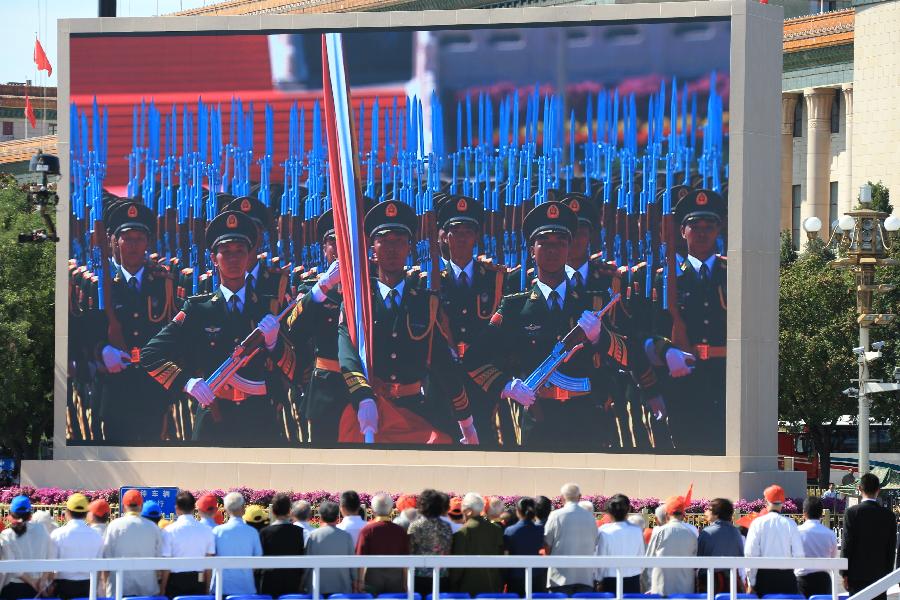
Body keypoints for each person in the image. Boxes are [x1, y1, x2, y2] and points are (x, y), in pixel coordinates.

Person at [464, 202, 661, 451]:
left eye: (560, 243)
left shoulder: (593, 301)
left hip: (588, 418)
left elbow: (631, 356)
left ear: (568, 249)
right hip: (538, 419)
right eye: (544, 242)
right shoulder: (515, 307)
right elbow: (473, 359)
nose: (553, 250)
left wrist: (601, 337)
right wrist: (506, 386)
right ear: (532, 250)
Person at [141, 210, 296, 445]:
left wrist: (275, 343)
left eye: (240, 251)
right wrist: (187, 382)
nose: (233, 259)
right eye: (226, 252)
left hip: (261, 419)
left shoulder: (269, 306)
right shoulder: (197, 309)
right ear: (213, 258)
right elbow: (150, 355)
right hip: (214, 418)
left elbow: (295, 368)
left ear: (250, 255)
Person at [336, 200, 478, 445]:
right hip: (368, 413)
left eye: (400, 241)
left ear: (409, 248)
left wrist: (466, 422)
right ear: (372, 248)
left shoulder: (425, 302)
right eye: (385, 241)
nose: (392, 249)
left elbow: (443, 365)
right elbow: (347, 355)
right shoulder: (358, 303)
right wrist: (363, 397)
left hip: (413, 412)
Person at [649, 189, 727, 452]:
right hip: (683, 378)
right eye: (694, 226)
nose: (702, 233)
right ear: (682, 232)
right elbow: (650, 328)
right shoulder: (665, 279)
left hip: (723, 377)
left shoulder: (734, 274)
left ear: (719, 230)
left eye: (709, 226)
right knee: (685, 447)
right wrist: (667, 349)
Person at [430, 195, 508, 446]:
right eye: (455, 231)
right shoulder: (431, 281)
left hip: (482, 382)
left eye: (468, 231)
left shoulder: (494, 278)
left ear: (476, 237)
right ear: (445, 236)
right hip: (444, 384)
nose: (461, 238)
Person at [95, 201, 176, 442]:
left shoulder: (165, 283)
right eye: (127, 238)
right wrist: (102, 351)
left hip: (153, 391)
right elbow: (85, 331)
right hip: (115, 390)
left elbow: (176, 332)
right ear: (115, 242)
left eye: (139, 238)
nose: (133, 245)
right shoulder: (101, 285)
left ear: (147, 243)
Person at [841, 472, 897, 600]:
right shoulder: (889, 516)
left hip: (856, 576)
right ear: (878, 490)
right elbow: (891, 549)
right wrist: (887, 574)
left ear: (859, 489)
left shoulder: (851, 513)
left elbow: (847, 545)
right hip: (880, 576)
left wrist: (844, 573)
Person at [102, 489, 164, 597]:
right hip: (147, 589)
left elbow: (106, 557)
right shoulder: (153, 527)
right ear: (141, 506)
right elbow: (159, 559)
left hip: (119, 588)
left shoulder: (113, 526)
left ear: (123, 506)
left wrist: (104, 586)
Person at [744, 485, 804, 596]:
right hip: (787, 578)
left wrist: (751, 582)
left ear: (766, 501)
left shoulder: (757, 523)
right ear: (782, 502)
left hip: (764, 577)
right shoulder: (790, 524)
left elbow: (751, 553)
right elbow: (799, 554)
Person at [543, 483, 598, 595]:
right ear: (580, 496)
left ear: (562, 497)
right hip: (585, 576)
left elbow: (546, 544)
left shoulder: (556, 515)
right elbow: (595, 542)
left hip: (560, 576)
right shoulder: (590, 517)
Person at [161, 491, 216, 598]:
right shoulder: (207, 530)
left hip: (175, 582)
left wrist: (162, 589)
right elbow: (209, 564)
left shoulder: (168, 531)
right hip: (199, 581)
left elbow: (166, 564)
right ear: (194, 508)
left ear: (176, 508)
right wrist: (207, 589)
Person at [50, 494, 104, 600]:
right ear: (86, 514)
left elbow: (50, 566)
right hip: (88, 587)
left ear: (67, 512)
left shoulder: (57, 534)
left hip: (62, 588)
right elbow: (99, 568)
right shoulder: (97, 536)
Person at [449, 493, 505, 595]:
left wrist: (452, 584)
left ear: (469, 511)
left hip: (468, 589)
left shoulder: (462, 532)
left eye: (463, 509)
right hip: (493, 587)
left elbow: (457, 566)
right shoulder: (496, 529)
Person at [0, 496, 54, 600]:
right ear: (30, 513)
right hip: (39, 587)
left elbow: (12, 565)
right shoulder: (42, 529)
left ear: (11, 513)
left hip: (15, 588)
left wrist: (33, 582)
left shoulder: (6, 534)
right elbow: (50, 556)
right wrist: (42, 581)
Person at [643, 495, 698, 595]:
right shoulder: (691, 533)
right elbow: (695, 562)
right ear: (683, 515)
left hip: (661, 587)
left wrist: (650, 585)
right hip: (685, 588)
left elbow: (649, 560)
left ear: (667, 514)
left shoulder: (659, 532)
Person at [356, 493, 409, 594]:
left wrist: (360, 582)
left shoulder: (367, 530)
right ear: (390, 510)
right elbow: (406, 560)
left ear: (372, 510)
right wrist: (406, 583)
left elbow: (360, 559)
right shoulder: (400, 531)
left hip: (373, 580)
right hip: (396, 580)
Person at [211, 492, 263, 596]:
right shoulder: (252, 532)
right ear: (243, 509)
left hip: (221, 588)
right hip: (246, 588)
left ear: (225, 509)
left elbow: (211, 557)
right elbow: (258, 560)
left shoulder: (217, 531)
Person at [408, 489, 454, 596]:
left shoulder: (416, 526)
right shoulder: (447, 526)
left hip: (420, 577)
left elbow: (410, 551)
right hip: (443, 576)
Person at [304, 501, 356, 595]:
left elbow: (307, 565)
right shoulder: (346, 536)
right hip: (342, 589)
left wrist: (302, 583)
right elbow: (352, 565)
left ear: (321, 517)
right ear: (337, 517)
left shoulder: (313, 536)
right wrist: (356, 582)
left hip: (318, 589)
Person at [596, 494, 645, 594]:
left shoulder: (604, 531)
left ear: (609, 512)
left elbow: (600, 558)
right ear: (628, 509)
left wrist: (599, 579)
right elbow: (641, 556)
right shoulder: (637, 531)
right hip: (633, 579)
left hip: (609, 579)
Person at [259, 493, 305, 597]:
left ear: (273, 511)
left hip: (270, 582)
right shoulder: (299, 532)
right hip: (293, 582)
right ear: (289, 511)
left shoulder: (265, 532)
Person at [697, 498, 744, 594]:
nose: (705, 512)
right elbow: (740, 556)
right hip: (731, 581)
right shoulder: (736, 532)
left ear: (716, 513)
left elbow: (698, 558)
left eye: (709, 509)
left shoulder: (706, 532)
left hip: (710, 582)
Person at [795, 496, 838, 597]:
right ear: (821, 513)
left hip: (801, 580)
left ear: (804, 513)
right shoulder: (830, 534)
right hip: (823, 581)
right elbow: (833, 557)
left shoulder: (796, 532)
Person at [504, 497, 546, 596]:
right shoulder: (540, 530)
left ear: (518, 511)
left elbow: (506, 554)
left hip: (515, 577)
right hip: (536, 576)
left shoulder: (510, 531)